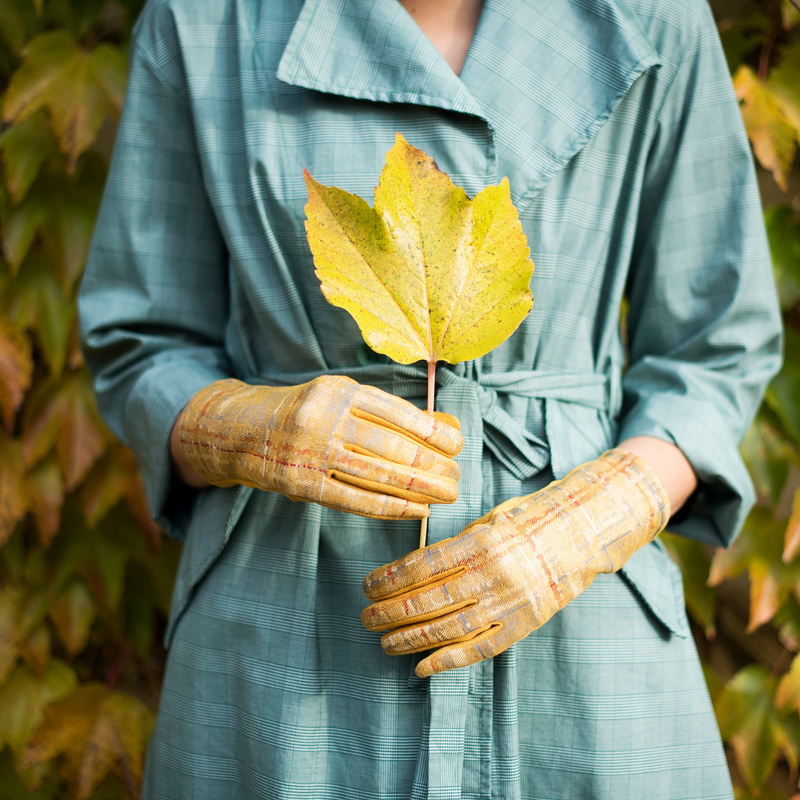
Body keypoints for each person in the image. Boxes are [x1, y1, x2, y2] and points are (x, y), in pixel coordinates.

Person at [78, 0, 782, 796]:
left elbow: (716, 349)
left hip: (583, 627)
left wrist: (590, 523)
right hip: (283, 630)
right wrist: (247, 429)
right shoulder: (204, 21)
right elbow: (142, 340)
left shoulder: (655, 17)